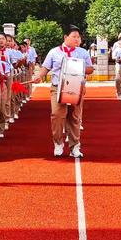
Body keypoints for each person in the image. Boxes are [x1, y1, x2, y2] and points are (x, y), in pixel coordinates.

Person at [32, 25, 94, 158]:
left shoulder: (82, 53)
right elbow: (46, 67)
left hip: (76, 87)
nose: (77, 39)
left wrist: (79, 66)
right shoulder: (54, 52)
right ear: (66, 37)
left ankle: (75, 147)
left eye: (79, 37)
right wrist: (39, 76)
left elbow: (90, 69)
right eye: (74, 36)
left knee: (74, 117)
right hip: (57, 87)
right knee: (57, 115)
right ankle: (58, 143)